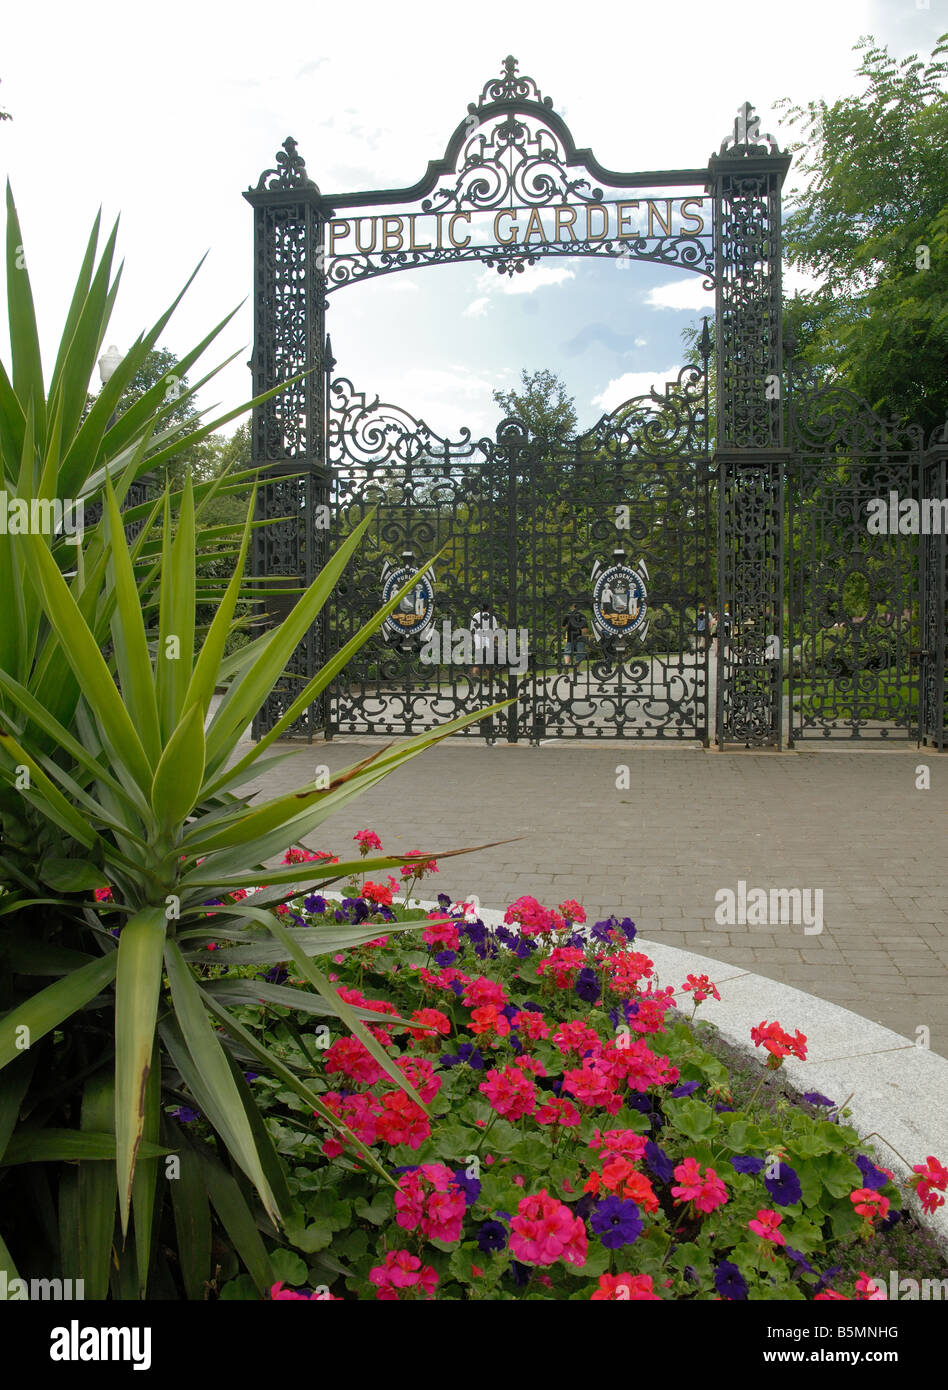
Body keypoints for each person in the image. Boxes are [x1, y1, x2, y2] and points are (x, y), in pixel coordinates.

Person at [470, 604, 497, 678]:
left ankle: (474, 676)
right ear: (488, 608)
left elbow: (472, 631)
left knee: (478, 660)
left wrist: (474, 640)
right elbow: (495, 632)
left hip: (478, 639)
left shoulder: (475, 616)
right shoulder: (492, 617)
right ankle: (489, 680)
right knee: (488, 661)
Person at [563, 602, 589, 676]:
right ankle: (576, 669)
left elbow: (563, 626)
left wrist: (569, 629)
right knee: (580, 653)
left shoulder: (567, 615)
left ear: (573, 606)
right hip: (579, 637)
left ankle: (567, 665)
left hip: (570, 636)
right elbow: (585, 629)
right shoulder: (582, 616)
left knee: (567, 651)